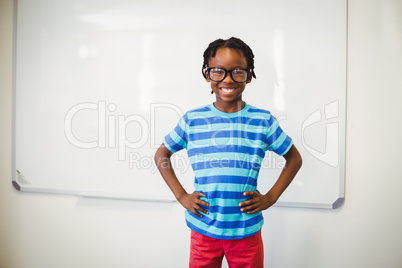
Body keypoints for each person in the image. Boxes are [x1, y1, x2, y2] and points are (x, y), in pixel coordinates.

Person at [154, 37, 302, 268]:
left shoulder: (262, 121)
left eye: (237, 71)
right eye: (218, 71)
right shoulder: (192, 120)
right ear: (206, 75)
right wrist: (182, 196)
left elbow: (294, 158)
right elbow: (161, 155)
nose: (228, 79)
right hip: (203, 229)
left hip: (246, 231)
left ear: (249, 75)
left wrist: (270, 197)